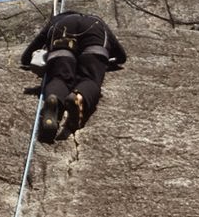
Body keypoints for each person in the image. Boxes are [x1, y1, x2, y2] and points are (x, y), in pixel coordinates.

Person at [21, 9, 127, 142]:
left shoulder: (56, 21)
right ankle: (78, 97)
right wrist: (104, 62)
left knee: (59, 78)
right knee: (90, 79)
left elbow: (27, 56)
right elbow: (121, 55)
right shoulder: (97, 20)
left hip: (62, 36)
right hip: (94, 36)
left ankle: (54, 98)